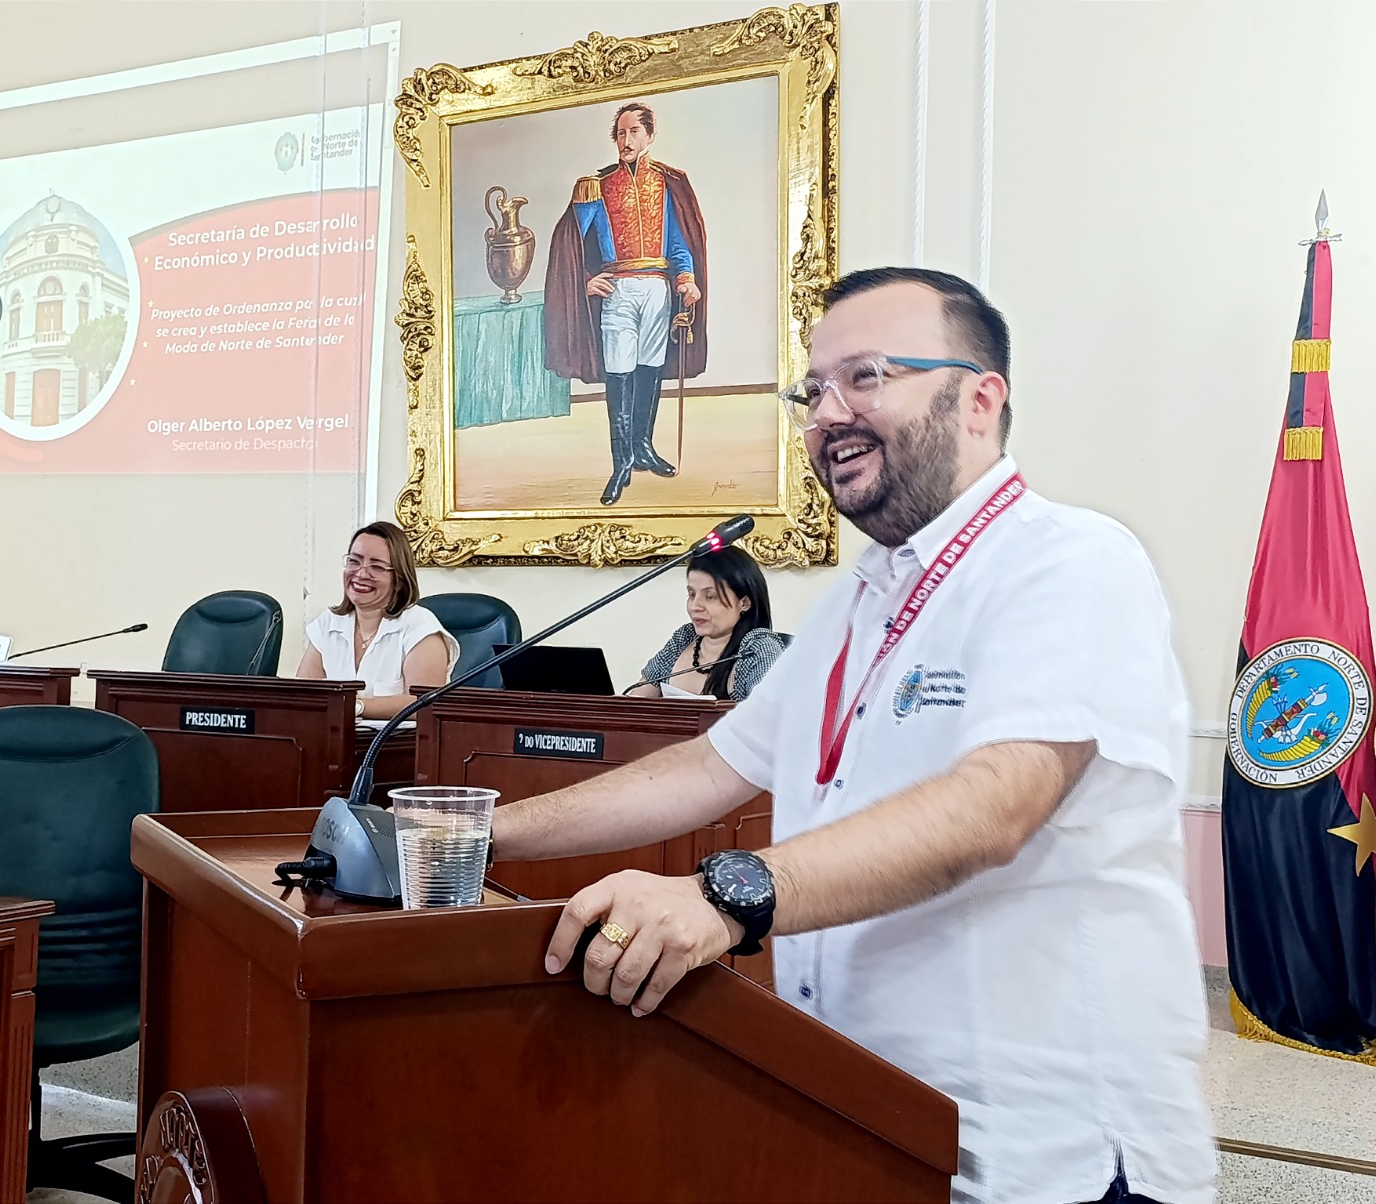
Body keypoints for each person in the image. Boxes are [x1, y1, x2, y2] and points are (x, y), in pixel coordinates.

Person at [491, 268, 1215, 1204]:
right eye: (814, 390)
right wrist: (480, 836)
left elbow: (995, 806)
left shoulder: (1070, 562)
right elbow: (711, 765)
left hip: (1050, 1154)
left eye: (867, 376)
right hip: (874, 1122)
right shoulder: (858, 603)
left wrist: (728, 896)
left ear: (980, 400)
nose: (829, 412)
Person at [543, 100, 709, 506]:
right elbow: (571, 246)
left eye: (634, 131)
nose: (626, 139)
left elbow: (677, 245)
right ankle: (621, 462)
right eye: (620, 133)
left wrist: (686, 279)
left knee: (650, 368)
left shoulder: (670, 185)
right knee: (619, 371)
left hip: (658, 290)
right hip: (618, 290)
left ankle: (643, 448)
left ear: (649, 135)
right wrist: (584, 280)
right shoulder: (595, 187)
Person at [296, 521, 459, 719]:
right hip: (331, 742)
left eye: (377, 566)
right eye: (354, 561)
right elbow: (303, 696)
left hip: (398, 746)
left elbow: (425, 703)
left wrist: (355, 706)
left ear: (399, 578)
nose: (361, 573)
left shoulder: (420, 627)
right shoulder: (328, 623)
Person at [626, 546, 783, 702]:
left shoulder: (758, 650)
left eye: (710, 596)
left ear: (744, 603)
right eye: (691, 594)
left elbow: (767, 720)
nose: (695, 606)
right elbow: (635, 702)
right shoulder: (684, 638)